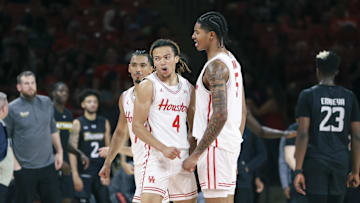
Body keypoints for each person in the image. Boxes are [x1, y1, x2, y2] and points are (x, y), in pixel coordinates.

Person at [182, 11, 246, 203]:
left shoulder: (215, 67)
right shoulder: (232, 61)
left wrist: (197, 153)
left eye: (197, 32)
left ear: (211, 35)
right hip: (229, 145)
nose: (193, 36)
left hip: (214, 148)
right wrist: (234, 146)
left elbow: (220, 114)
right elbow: (242, 110)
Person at [132, 39, 197, 203]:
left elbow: (194, 128)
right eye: (157, 58)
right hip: (157, 157)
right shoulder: (148, 86)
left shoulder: (188, 88)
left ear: (176, 59)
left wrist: (194, 156)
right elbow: (137, 126)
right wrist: (163, 148)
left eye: (167, 57)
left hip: (182, 157)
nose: (162, 62)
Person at [294, 51, 360, 203]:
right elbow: (356, 136)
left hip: (315, 161)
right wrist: (356, 171)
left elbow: (303, 133)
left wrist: (298, 170)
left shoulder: (307, 95)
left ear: (317, 70)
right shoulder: (349, 97)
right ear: (336, 72)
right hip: (340, 161)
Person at [98, 50, 163, 202]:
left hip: (159, 165)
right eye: (134, 65)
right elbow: (120, 133)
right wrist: (108, 162)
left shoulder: (161, 95)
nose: (138, 69)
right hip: (140, 165)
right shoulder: (125, 97)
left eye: (143, 65)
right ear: (128, 68)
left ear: (151, 69)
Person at [5, 70, 63, 203]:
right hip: (24, 168)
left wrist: (59, 151)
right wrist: (15, 166)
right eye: (26, 83)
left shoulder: (46, 101)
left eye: (32, 82)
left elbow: (52, 128)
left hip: (48, 165)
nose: (30, 86)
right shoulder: (12, 108)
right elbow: (5, 140)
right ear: (19, 87)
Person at [69, 89, 111, 203]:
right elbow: (72, 150)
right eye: (89, 101)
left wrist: (108, 172)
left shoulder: (104, 122)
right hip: (84, 173)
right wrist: (75, 175)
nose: (92, 104)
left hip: (100, 172)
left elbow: (109, 150)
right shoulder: (78, 123)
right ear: (83, 104)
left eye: (95, 102)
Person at [52, 82, 90, 203]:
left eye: (66, 92)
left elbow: (67, 142)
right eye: (60, 90)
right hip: (49, 163)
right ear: (53, 93)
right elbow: (40, 141)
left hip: (66, 166)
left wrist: (80, 153)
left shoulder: (68, 114)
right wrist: (55, 159)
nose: (64, 93)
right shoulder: (48, 113)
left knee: (68, 198)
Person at [235, 128, 267, 203]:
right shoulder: (225, 126)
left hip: (243, 181)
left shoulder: (250, 128)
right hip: (224, 177)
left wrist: (247, 168)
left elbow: (262, 154)